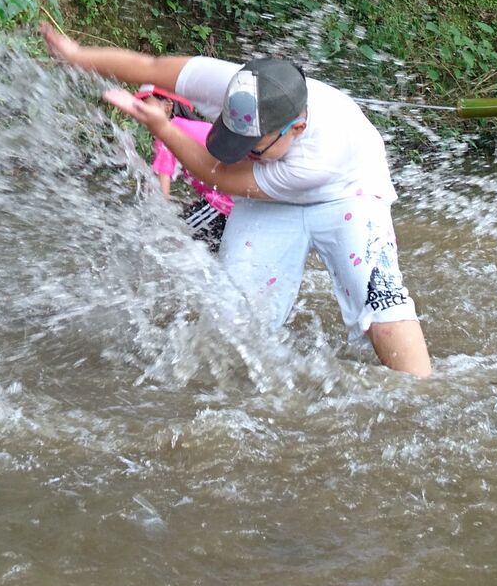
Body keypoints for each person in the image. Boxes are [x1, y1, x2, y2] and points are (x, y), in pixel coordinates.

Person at [42, 23, 433, 377]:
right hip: (267, 199)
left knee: (379, 301)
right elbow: (149, 65)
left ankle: (422, 395)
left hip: (348, 195)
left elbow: (221, 177)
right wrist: (77, 55)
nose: (242, 149)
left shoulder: (318, 158)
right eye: (233, 137)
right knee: (237, 318)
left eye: (254, 147)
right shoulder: (231, 82)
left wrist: (163, 127)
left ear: (295, 128)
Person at [137, 83, 233, 252]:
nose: (141, 112)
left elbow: (161, 192)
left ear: (168, 106)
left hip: (223, 206)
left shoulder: (169, 132)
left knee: (172, 242)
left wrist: (147, 218)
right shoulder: (200, 127)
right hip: (238, 202)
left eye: (147, 105)